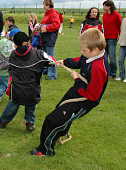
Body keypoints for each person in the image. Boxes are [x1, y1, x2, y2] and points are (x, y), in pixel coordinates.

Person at [30, 28, 109, 157]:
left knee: (52, 120)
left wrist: (77, 79)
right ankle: (59, 132)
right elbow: (80, 60)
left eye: (84, 50)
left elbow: (93, 95)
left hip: (84, 100)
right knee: (59, 111)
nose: (81, 52)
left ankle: (45, 150)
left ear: (95, 50)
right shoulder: (91, 55)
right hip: (77, 91)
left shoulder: (98, 67)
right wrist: (65, 62)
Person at [0, 32, 56, 131]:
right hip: (32, 91)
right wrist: (52, 62)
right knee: (30, 107)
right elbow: (52, 61)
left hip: (17, 91)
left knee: (12, 106)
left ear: (15, 45)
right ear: (29, 42)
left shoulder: (12, 56)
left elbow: (1, 66)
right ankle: (30, 123)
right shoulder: (39, 54)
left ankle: (3, 121)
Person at [40, 0, 60, 80]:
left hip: (50, 37)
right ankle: (46, 70)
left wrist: (47, 28)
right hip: (45, 37)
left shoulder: (53, 13)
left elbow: (56, 24)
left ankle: (52, 75)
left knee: (50, 55)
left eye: (44, 5)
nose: (43, 6)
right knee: (45, 55)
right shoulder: (47, 14)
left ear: (48, 5)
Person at [102, 0, 122, 78]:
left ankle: (113, 73)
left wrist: (119, 35)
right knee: (104, 55)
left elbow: (120, 26)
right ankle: (106, 71)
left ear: (109, 6)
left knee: (112, 56)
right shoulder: (104, 15)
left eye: (105, 6)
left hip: (112, 38)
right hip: (105, 38)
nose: (103, 7)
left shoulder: (116, 15)